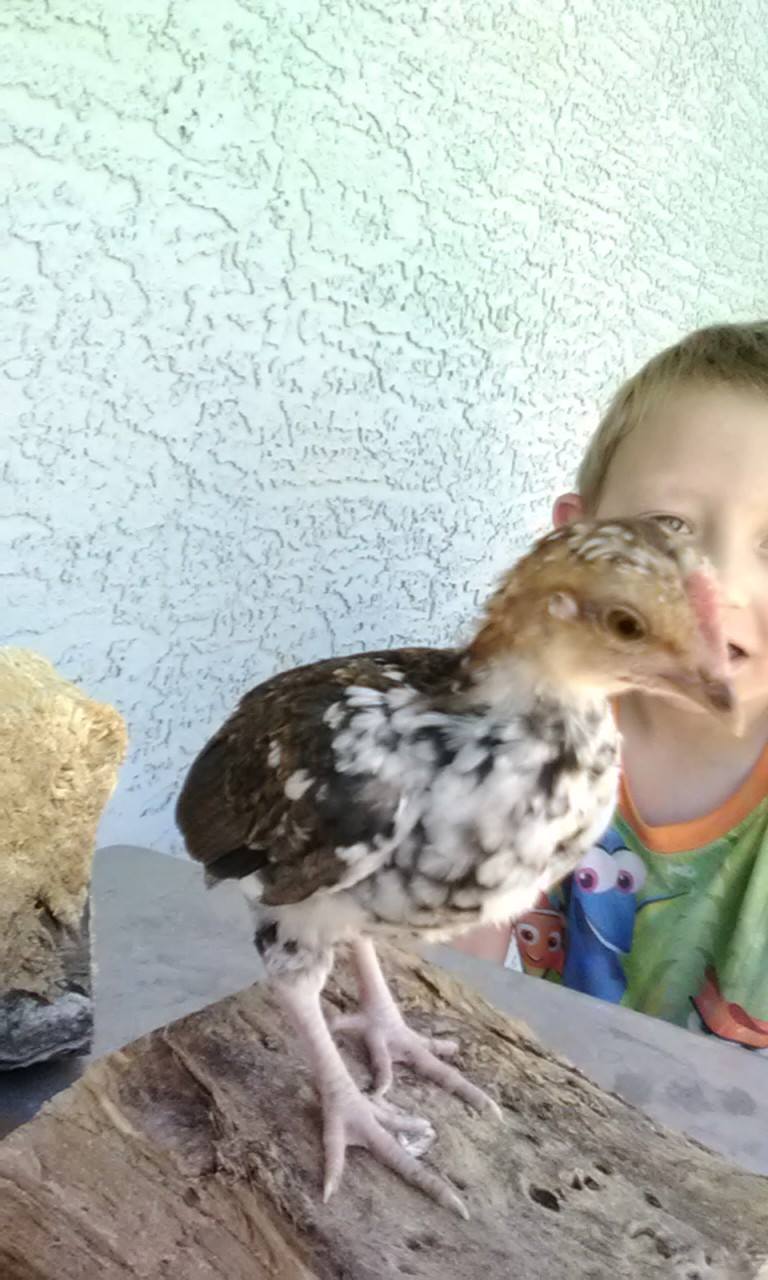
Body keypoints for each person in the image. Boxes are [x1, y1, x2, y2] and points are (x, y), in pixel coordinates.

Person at [458, 321, 768, 1049]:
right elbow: (446, 977)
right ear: (574, 543)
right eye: (668, 527)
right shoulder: (517, 736)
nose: (719, 585)